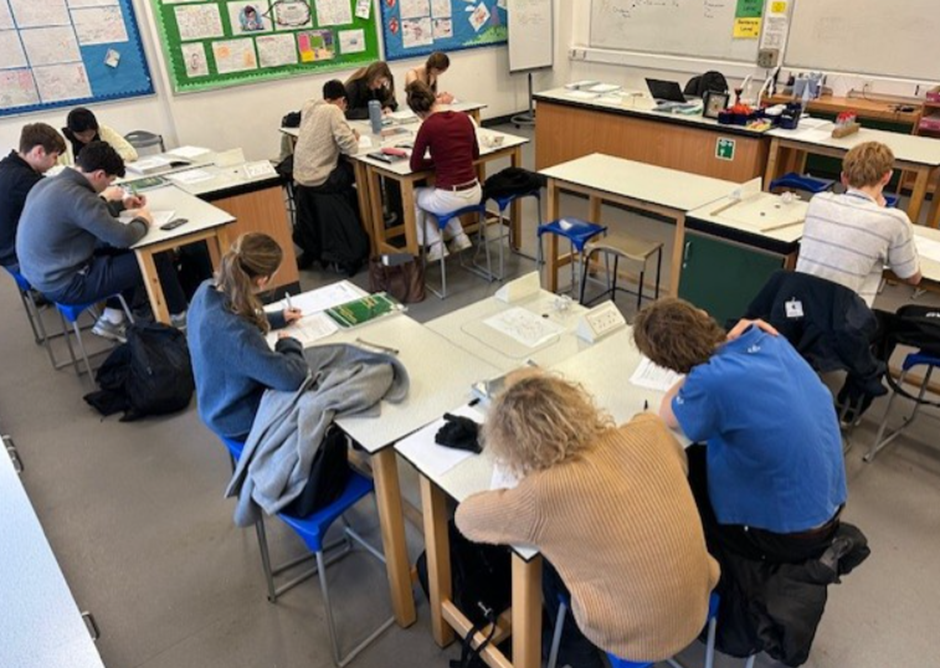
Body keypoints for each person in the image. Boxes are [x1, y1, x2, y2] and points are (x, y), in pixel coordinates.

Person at [456, 372, 719, 668]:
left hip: (631, 638)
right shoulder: (649, 428)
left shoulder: (542, 495)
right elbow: (679, 468)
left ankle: (572, 653)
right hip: (700, 599)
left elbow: (466, 519)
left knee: (547, 566)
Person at [632, 298, 847, 564]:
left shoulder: (708, 380)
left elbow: (667, 414)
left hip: (791, 536)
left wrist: (692, 369)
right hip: (828, 503)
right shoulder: (770, 338)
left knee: (679, 476)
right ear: (703, 315)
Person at [16, 141, 188, 339]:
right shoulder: (79, 197)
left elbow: (85, 217)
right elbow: (124, 237)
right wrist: (143, 220)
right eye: (110, 180)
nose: (109, 186)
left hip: (42, 274)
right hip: (66, 284)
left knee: (121, 253)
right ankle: (180, 318)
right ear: (99, 175)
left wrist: (121, 206)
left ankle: (112, 319)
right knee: (153, 257)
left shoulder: (50, 183)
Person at [187, 233, 307, 441]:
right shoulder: (238, 335)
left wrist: (276, 318)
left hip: (214, 402)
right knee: (316, 388)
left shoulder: (205, 290)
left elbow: (235, 315)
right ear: (262, 280)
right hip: (239, 419)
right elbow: (292, 379)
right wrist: (288, 345)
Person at [796, 141, 921, 307]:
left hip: (799, 307)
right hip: (846, 320)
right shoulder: (894, 220)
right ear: (887, 177)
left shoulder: (818, 201)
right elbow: (912, 277)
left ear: (843, 177)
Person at [292, 79, 361, 269]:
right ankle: (368, 225)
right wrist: (354, 137)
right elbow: (351, 148)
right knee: (357, 171)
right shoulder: (334, 111)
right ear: (342, 101)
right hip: (320, 178)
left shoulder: (309, 107)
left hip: (300, 175)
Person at [407, 81, 479, 261]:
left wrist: (436, 162)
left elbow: (415, 165)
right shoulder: (464, 117)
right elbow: (474, 154)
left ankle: (436, 245)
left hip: (449, 197)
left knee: (414, 196)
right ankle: (459, 236)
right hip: (475, 192)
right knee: (435, 196)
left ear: (418, 112)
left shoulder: (428, 126)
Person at [0, 123, 66, 273]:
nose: (55, 163)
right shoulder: (23, 180)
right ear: (39, 151)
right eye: (54, 157)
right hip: (16, 257)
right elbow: (64, 207)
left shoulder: (6, 166)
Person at [61, 107, 138, 165]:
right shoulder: (60, 138)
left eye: (91, 134)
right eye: (81, 135)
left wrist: (106, 161)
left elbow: (130, 152)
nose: (87, 138)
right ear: (71, 131)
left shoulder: (102, 130)